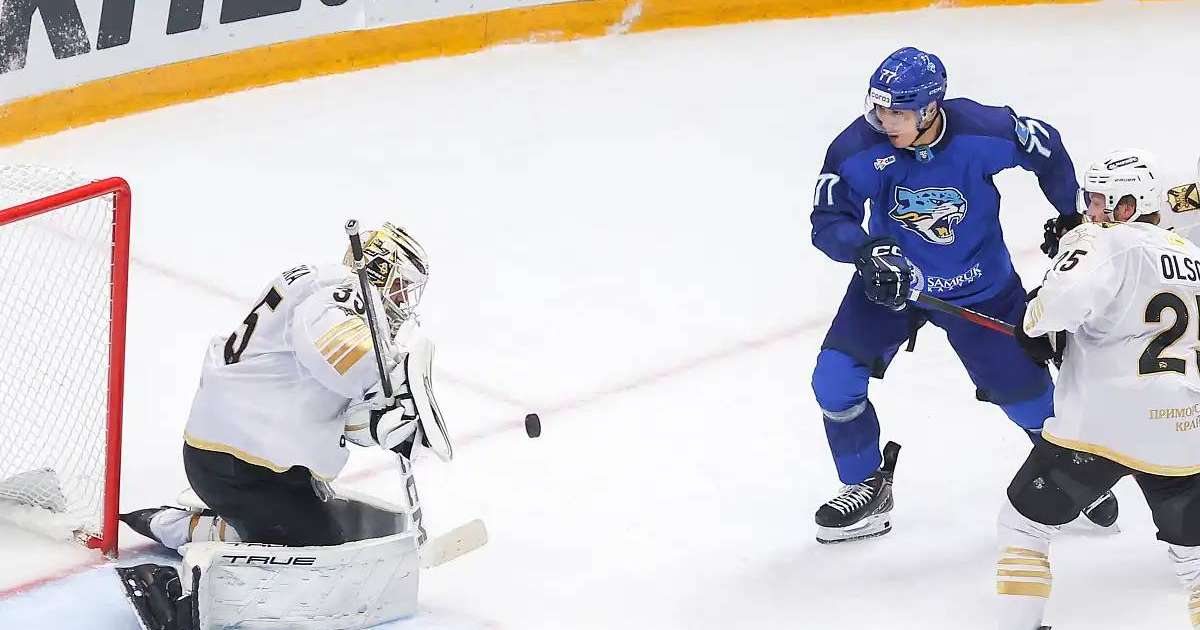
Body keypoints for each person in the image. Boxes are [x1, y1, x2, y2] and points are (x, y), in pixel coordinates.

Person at [809, 46, 1116, 543]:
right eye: (878, 108)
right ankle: (867, 486)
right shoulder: (856, 148)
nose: (884, 121)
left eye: (897, 112)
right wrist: (866, 250)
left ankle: (1072, 472)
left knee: (1028, 400)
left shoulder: (982, 130)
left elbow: (1047, 148)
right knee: (833, 380)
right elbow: (827, 221)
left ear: (930, 108)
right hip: (893, 287)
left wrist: (1071, 218)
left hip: (982, 292)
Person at [121, 222, 439, 551]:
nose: (403, 300)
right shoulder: (342, 295)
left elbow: (335, 399)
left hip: (249, 453)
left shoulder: (325, 282)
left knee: (320, 533)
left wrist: (381, 423)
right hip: (238, 462)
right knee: (318, 549)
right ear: (378, 268)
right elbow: (333, 350)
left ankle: (237, 525)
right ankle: (184, 530)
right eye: (401, 286)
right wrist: (380, 379)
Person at [999, 150, 1200, 630]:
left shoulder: (1104, 240)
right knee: (1194, 562)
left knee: (1023, 524)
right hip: (1183, 427)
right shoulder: (1192, 257)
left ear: (1125, 206)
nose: (1087, 210)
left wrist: (1036, 324)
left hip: (1101, 425)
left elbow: (1056, 306)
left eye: (1095, 201)